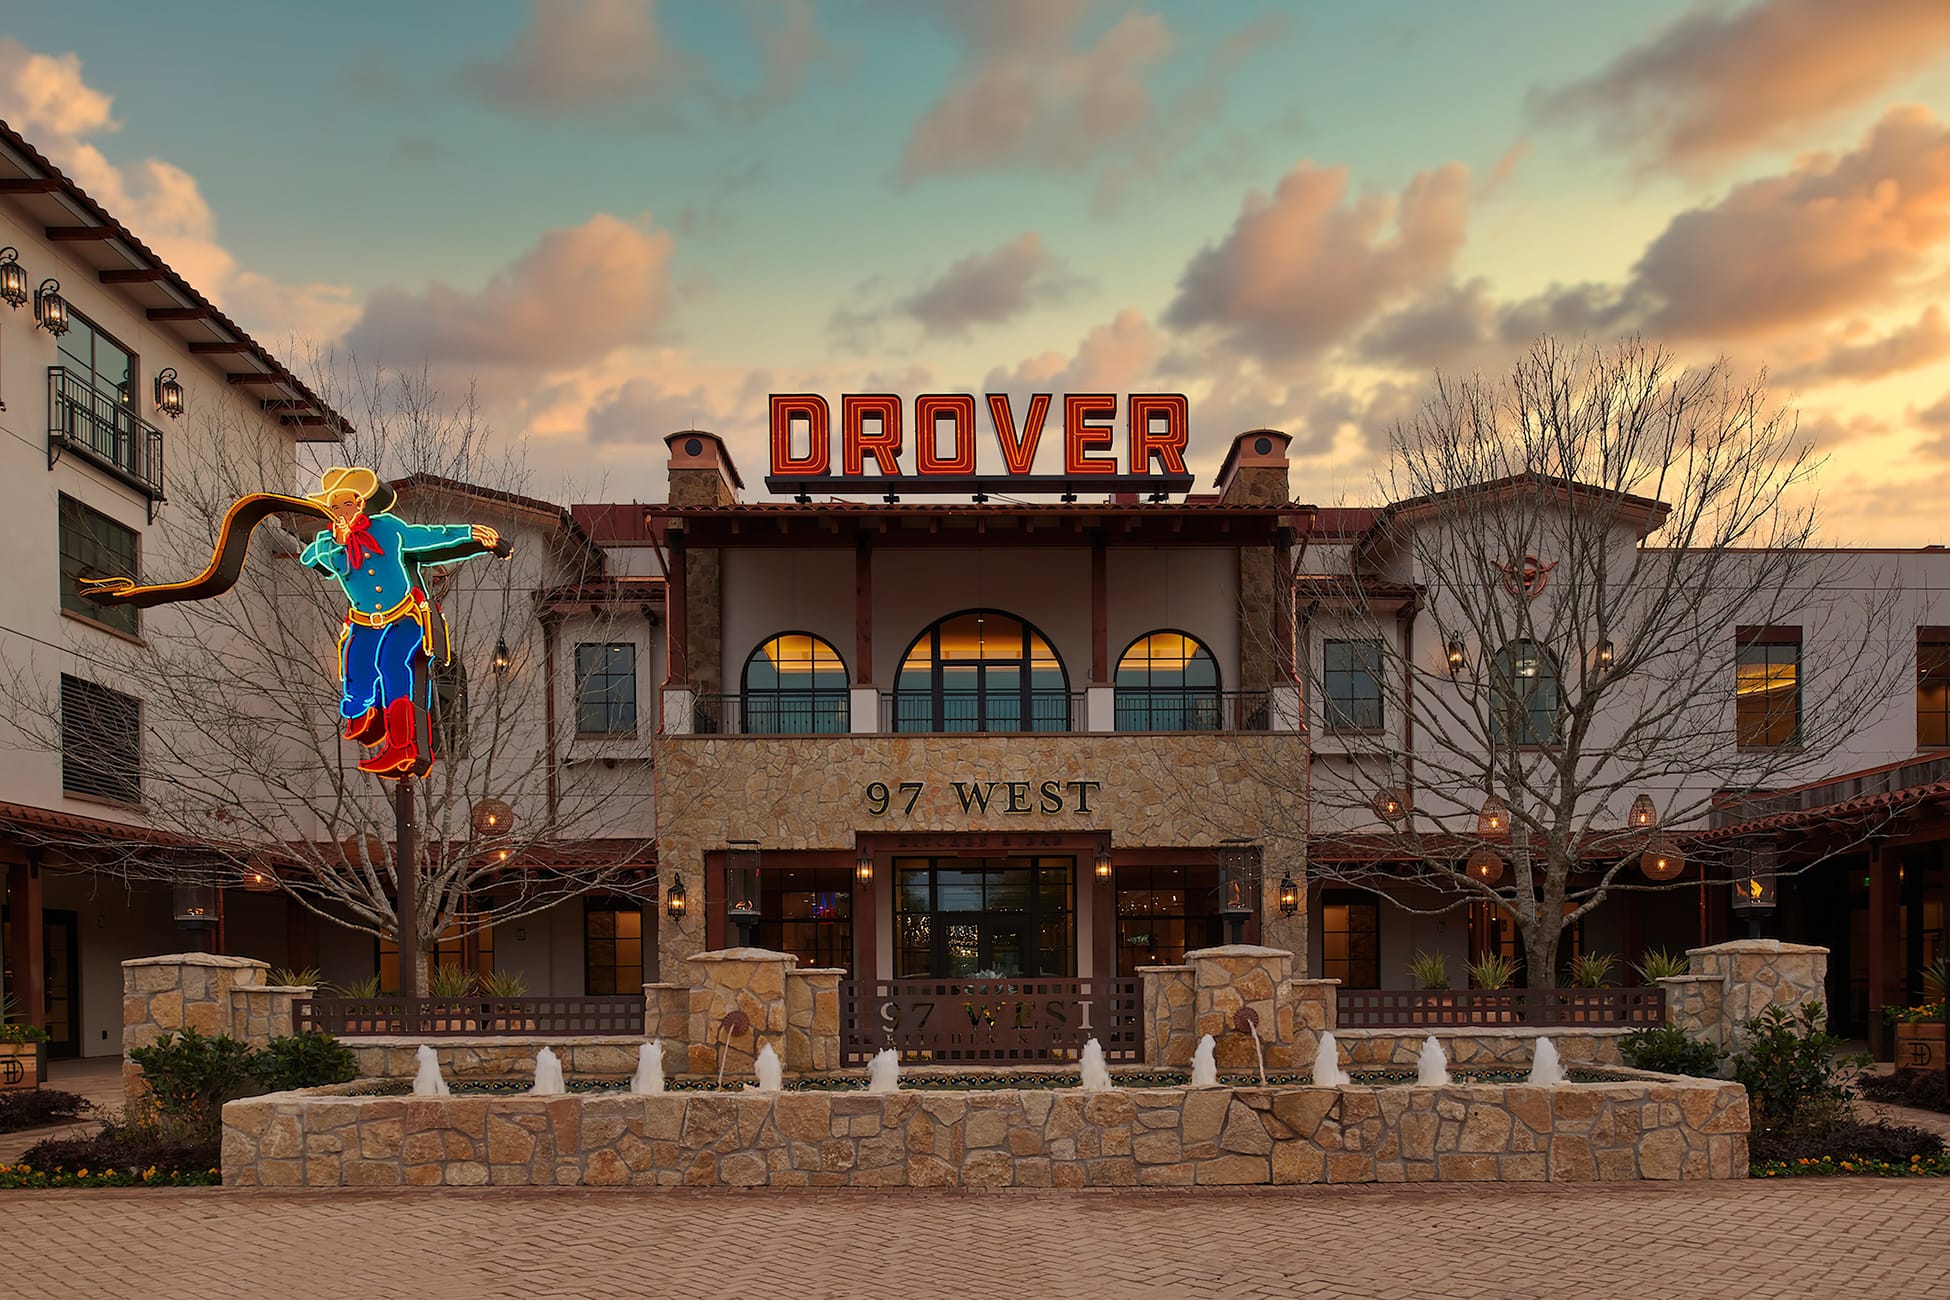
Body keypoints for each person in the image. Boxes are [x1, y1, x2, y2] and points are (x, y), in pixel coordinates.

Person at [299, 466, 511, 775]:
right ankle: (364, 715)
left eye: (348, 502)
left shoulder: (387, 528)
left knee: (393, 665)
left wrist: (469, 533)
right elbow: (312, 559)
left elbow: (427, 537)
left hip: (404, 616)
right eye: (334, 506)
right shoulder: (330, 544)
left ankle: (403, 745)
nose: (342, 510)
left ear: (360, 503)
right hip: (363, 622)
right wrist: (334, 543)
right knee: (356, 672)